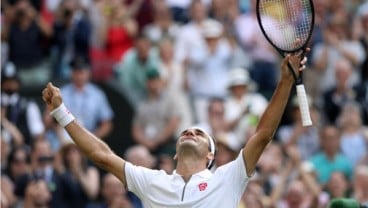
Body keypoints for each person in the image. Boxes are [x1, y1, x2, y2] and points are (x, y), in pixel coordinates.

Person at [41, 51, 307, 207]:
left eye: (200, 134)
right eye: (186, 132)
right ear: (175, 154)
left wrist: (285, 82)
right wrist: (60, 112)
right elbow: (101, 155)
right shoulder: (153, 181)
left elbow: (262, 135)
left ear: (210, 157)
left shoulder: (229, 177)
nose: (190, 133)